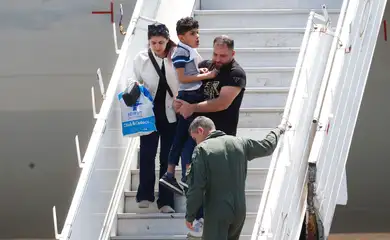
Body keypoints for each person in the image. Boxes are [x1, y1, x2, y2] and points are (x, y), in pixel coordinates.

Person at [185, 116, 286, 240]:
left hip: (217, 211)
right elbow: (266, 147)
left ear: (200, 130)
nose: (196, 142)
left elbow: (196, 187)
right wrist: (277, 131)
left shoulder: (202, 150)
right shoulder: (240, 142)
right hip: (239, 211)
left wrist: (190, 215)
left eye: (195, 138)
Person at [159, 17, 217, 195]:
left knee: (187, 139)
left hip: (191, 95)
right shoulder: (181, 52)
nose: (197, 36)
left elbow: (188, 73)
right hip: (189, 97)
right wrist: (207, 76)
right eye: (192, 33)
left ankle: (178, 175)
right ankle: (173, 175)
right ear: (181, 37)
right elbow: (183, 78)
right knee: (182, 139)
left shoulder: (188, 50)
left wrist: (199, 71)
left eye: (197, 32)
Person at [130, 23, 179, 213]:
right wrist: (133, 88)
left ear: (167, 40)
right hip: (148, 113)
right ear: (148, 41)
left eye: (161, 42)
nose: (157, 46)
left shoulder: (176, 56)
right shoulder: (141, 58)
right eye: (153, 42)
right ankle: (144, 194)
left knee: (167, 157)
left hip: (171, 113)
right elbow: (134, 79)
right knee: (147, 154)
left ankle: (166, 200)